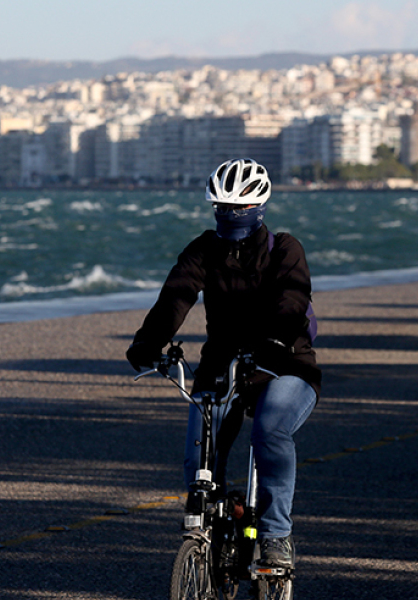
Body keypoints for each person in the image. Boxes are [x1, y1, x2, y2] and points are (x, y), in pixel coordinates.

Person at [126, 158, 320, 569]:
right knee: (199, 452)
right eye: (221, 206)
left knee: (269, 430)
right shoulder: (203, 250)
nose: (229, 214)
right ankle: (209, 529)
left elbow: (293, 300)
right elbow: (176, 297)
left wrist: (273, 346)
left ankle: (275, 535)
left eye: (238, 207)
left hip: (284, 363)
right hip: (223, 362)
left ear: (259, 205)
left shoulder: (285, 249)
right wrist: (148, 343)